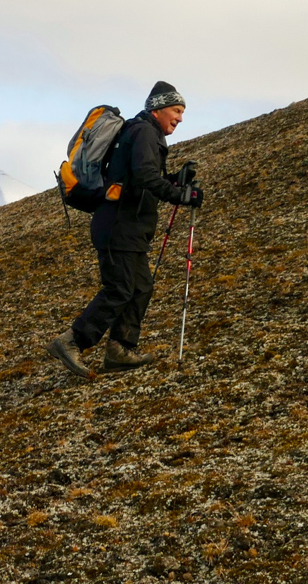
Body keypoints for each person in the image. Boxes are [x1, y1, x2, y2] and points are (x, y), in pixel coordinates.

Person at [49, 81, 202, 378]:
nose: (180, 118)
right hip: (119, 226)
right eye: (176, 110)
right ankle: (72, 341)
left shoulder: (141, 131)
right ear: (157, 109)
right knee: (119, 288)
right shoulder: (145, 132)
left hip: (125, 227)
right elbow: (145, 176)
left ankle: (120, 350)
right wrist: (180, 195)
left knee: (140, 287)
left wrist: (172, 180)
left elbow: (135, 179)